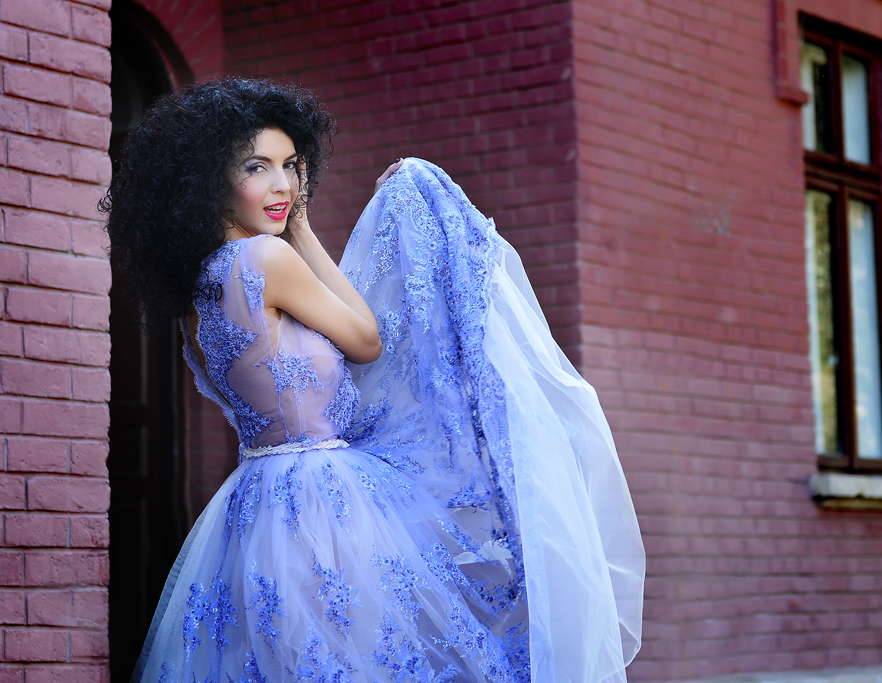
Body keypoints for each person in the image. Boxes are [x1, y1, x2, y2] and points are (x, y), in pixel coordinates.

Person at [101, 77, 645, 683]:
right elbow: (366, 339)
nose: (283, 186)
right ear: (210, 181)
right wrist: (301, 231)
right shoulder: (265, 258)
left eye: (291, 166)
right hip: (323, 501)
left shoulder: (197, 292)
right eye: (257, 167)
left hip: (254, 501)